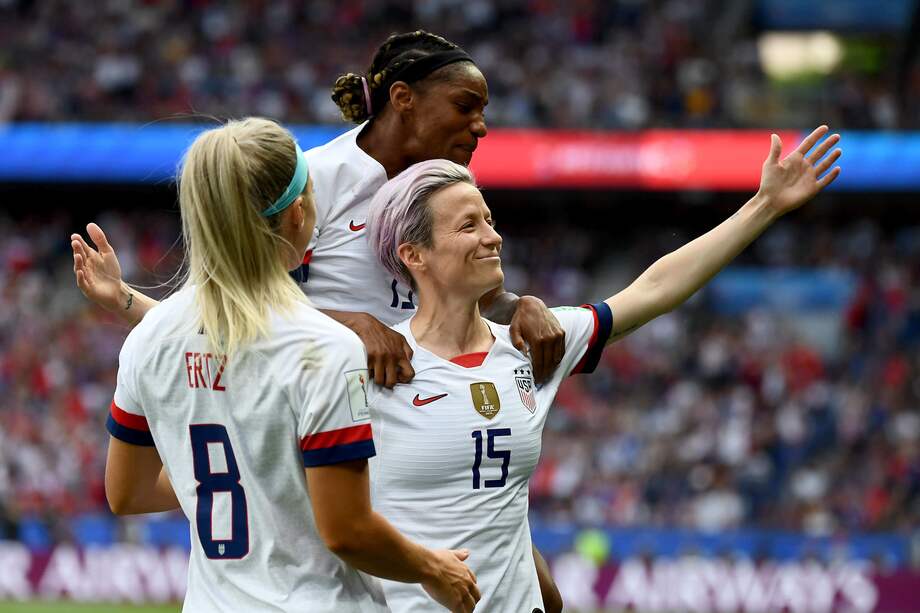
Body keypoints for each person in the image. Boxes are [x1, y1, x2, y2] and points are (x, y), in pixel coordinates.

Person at [70, 29, 565, 612]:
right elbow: (251, 325)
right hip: (350, 467)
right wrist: (352, 328)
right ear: (299, 213)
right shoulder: (320, 188)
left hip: (386, 449)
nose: (480, 127)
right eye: (466, 107)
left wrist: (517, 305)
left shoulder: (159, 340)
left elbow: (216, 330)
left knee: (541, 595)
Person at [362, 127, 842, 612]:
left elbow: (652, 290)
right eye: (469, 227)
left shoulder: (533, 344)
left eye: (489, 220)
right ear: (413, 254)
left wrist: (764, 205)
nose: (493, 237)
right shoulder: (368, 364)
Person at [79, 117, 480, 613]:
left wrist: (246, 482)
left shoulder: (148, 339)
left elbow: (128, 493)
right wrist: (432, 568)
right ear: (297, 214)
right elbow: (348, 532)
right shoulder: (326, 348)